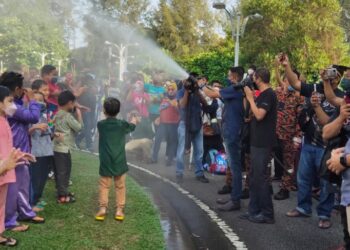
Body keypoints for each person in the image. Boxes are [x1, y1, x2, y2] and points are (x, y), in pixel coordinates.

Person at [279, 54, 341, 229]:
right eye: (327, 71)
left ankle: (324, 214)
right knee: (303, 178)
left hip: (327, 147)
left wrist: (317, 106)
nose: (329, 75)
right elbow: (295, 83)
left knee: (325, 182)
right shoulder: (315, 87)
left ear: (338, 77)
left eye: (333, 73)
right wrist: (287, 66)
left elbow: (329, 124)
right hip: (309, 142)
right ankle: (303, 207)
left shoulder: (341, 97)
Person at [0, 72, 45, 232]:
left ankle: (24, 211)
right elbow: (33, 117)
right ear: (18, 88)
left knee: (21, 184)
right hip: (14, 150)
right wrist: (33, 100)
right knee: (14, 187)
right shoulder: (11, 106)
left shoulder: (12, 103)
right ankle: (11, 220)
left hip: (18, 148)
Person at [203, 66, 245, 210]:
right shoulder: (234, 89)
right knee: (233, 166)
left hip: (233, 133)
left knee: (235, 167)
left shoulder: (235, 90)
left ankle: (235, 200)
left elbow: (211, 93)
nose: (227, 77)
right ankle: (234, 196)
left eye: (229, 74)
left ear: (234, 76)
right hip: (230, 131)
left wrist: (202, 85)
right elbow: (216, 91)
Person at [240, 68, 277, 224]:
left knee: (260, 178)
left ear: (260, 78)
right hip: (256, 142)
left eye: (253, 77)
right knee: (254, 177)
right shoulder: (262, 94)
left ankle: (268, 214)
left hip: (263, 143)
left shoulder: (269, 94)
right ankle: (253, 210)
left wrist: (250, 98)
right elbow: (252, 115)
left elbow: (260, 115)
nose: (252, 80)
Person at [95, 97, 138, 222]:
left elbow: (106, 122)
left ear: (104, 110)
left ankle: (103, 209)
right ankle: (119, 210)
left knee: (104, 185)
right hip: (119, 160)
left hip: (105, 161)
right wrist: (134, 121)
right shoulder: (122, 124)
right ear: (118, 111)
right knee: (120, 186)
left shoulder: (101, 125)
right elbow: (132, 127)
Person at [0, 85, 28, 247]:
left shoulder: (4, 120)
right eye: (9, 101)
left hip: (6, 170)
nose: (13, 106)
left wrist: (20, 155)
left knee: (1, 204)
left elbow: (7, 147)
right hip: (2, 169)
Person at [273, 58, 304, 200]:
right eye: (287, 80)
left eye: (293, 81)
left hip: (289, 135)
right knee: (271, 159)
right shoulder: (278, 93)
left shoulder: (299, 98)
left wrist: (297, 137)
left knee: (288, 164)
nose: (289, 83)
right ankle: (267, 186)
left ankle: (285, 188)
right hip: (274, 134)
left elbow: (301, 120)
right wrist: (276, 67)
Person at [176, 76, 209, 183]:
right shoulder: (181, 92)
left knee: (199, 151)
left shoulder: (197, 92)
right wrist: (186, 90)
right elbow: (182, 105)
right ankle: (179, 172)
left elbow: (205, 103)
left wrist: (196, 90)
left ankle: (199, 173)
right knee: (181, 150)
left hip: (197, 123)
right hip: (184, 123)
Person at [53, 90, 83, 204]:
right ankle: (62, 196)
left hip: (56, 148)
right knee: (64, 172)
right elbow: (79, 128)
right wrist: (79, 115)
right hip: (64, 149)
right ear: (70, 103)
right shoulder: (68, 116)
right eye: (73, 103)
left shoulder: (57, 114)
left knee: (60, 171)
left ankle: (63, 191)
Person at [28, 90, 54, 211]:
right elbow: (25, 133)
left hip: (47, 150)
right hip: (36, 151)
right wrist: (35, 127)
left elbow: (48, 130)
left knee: (43, 176)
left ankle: (37, 198)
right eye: (36, 100)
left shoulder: (45, 115)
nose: (40, 103)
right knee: (35, 178)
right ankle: (31, 202)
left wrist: (54, 134)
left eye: (42, 100)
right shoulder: (28, 115)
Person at [151, 81, 180, 165]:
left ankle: (169, 160)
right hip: (163, 123)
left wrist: (172, 103)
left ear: (175, 90)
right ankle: (154, 158)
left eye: (172, 89)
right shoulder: (164, 98)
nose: (170, 91)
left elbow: (180, 111)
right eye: (169, 89)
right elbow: (162, 109)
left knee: (172, 142)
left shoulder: (178, 99)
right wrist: (159, 117)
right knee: (157, 140)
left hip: (173, 124)